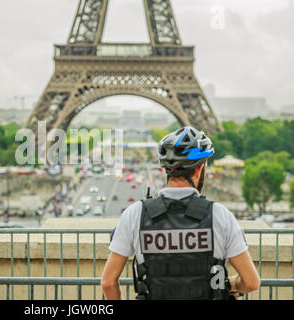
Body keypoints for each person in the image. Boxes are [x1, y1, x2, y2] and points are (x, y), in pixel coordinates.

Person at [101, 126, 260, 300]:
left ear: (166, 169)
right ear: (200, 169)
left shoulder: (135, 214)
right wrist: (229, 285)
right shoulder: (220, 215)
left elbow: (108, 283)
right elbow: (251, 282)